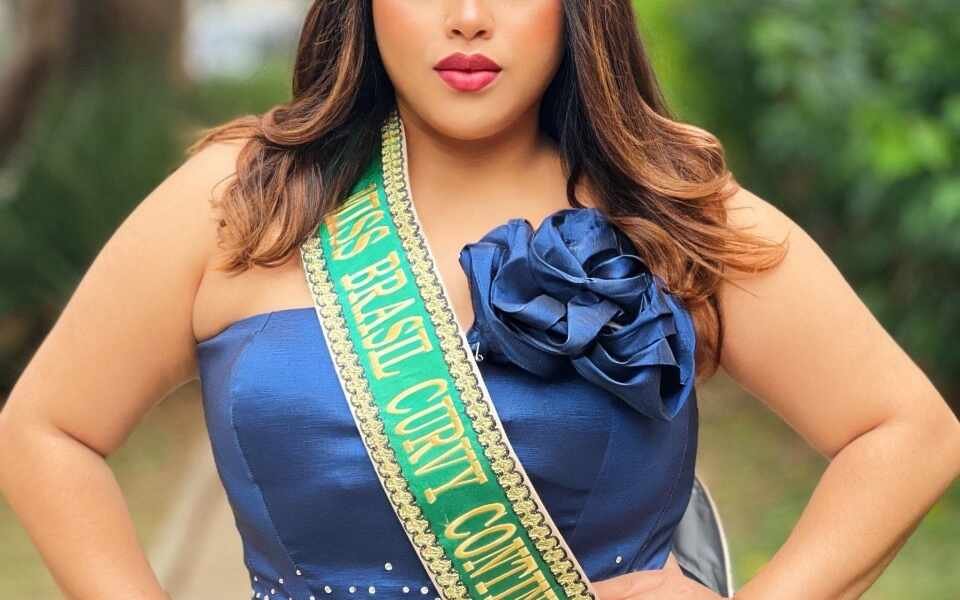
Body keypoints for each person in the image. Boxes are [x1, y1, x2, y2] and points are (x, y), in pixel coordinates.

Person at [1, 1, 958, 599]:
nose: (467, 18)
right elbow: (45, 430)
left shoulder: (663, 207)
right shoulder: (239, 197)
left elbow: (908, 432)